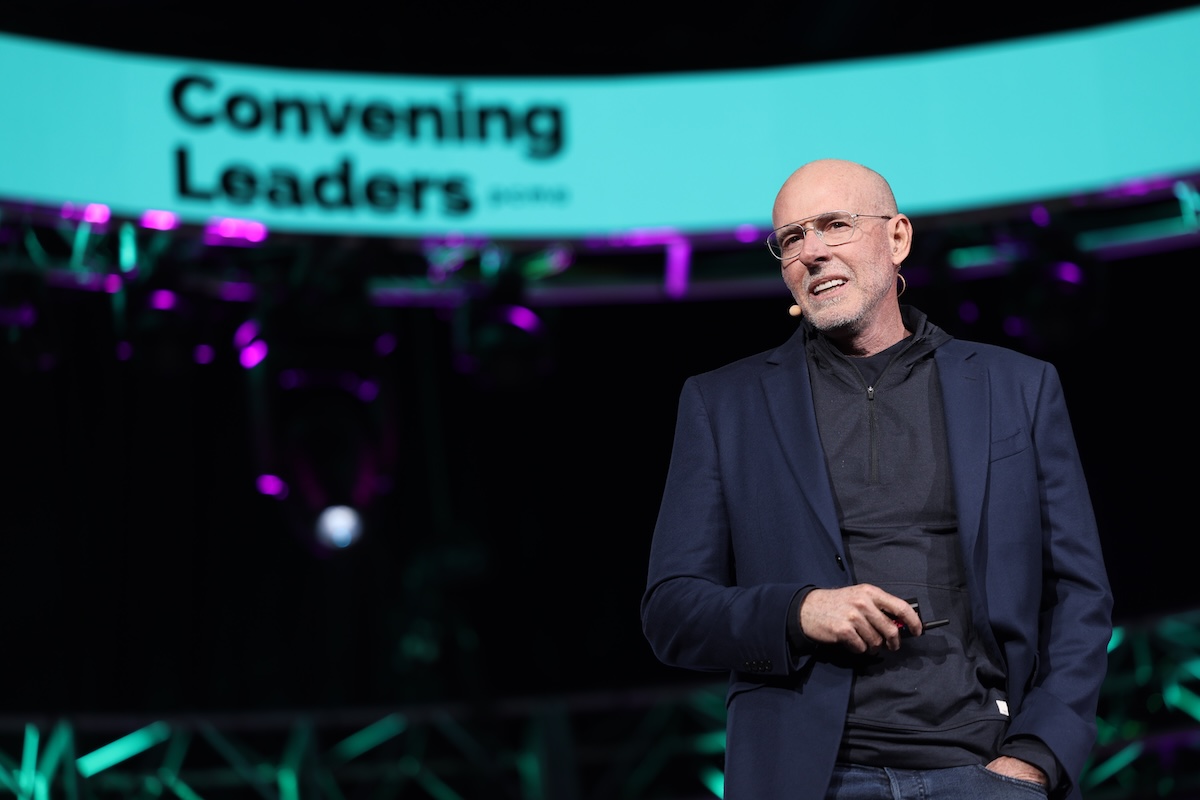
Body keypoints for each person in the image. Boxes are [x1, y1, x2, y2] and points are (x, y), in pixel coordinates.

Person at [640, 158, 1112, 800]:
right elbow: (672, 611)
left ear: (897, 239)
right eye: (791, 238)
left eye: (834, 226)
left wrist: (1037, 756)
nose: (811, 252)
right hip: (815, 776)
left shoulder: (1017, 387)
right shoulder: (725, 404)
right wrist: (800, 610)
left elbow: (1079, 595)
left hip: (987, 768)